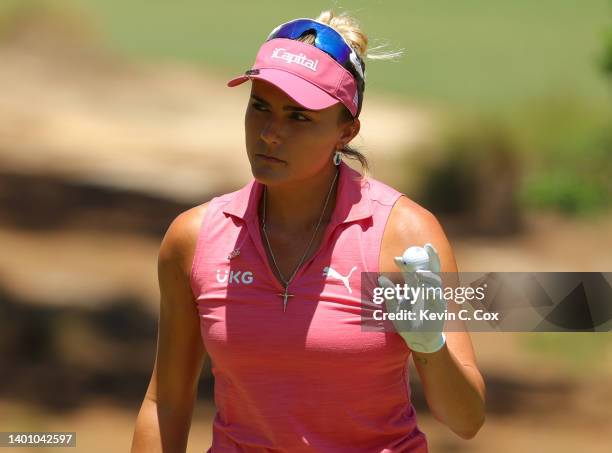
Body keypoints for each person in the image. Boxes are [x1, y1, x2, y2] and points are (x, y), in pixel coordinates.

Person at [130, 10, 485, 453]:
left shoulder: (402, 235)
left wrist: (430, 344)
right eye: (260, 107)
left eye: (299, 117)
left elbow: (467, 420)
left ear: (346, 130)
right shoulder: (196, 238)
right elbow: (166, 402)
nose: (271, 134)